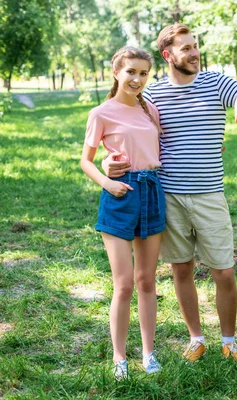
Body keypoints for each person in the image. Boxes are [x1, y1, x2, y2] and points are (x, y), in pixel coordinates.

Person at [103, 23, 237, 363]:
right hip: (167, 196)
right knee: (181, 270)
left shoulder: (217, 83)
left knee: (224, 271)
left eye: (195, 46)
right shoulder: (150, 96)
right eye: (186, 48)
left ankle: (229, 340)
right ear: (168, 55)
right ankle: (196, 338)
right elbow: (122, 129)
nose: (194, 53)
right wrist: (109, 161)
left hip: (210, 194)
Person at [81, 46, 165, 379]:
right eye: (131, 71)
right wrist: (107, 179)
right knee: (124, 284)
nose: (137, 78)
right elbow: (85, 160)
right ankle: (119, 357)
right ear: (116, 71)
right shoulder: (101, 113)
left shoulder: (150, 111)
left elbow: (160, 149)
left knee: (147, 281)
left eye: (144, 73)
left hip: (152, 193)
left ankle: (149, 353)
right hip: (119, 196)